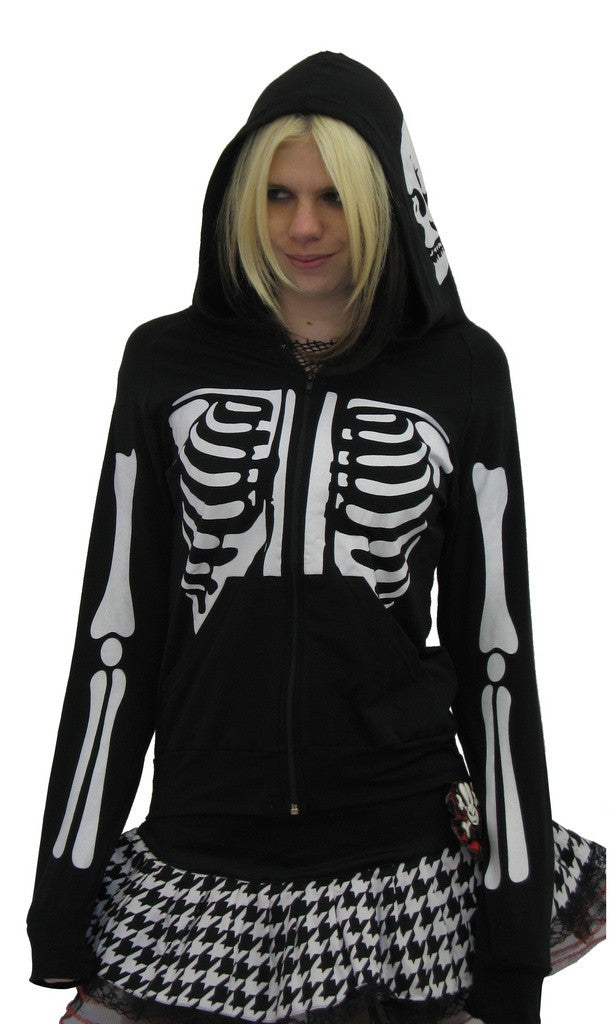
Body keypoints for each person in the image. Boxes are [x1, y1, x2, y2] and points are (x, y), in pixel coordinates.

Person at [27, 52, 605, 1024]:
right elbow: (115, 640)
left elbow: (495, 657)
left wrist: (512, 937)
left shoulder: (462, 371)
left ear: (386, 201)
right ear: (242, 197)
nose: (303, 227)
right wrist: (64, 891)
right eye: (280, 194)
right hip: (201, 853)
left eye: (335, 196)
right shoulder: (163, 364)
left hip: (400, 859)